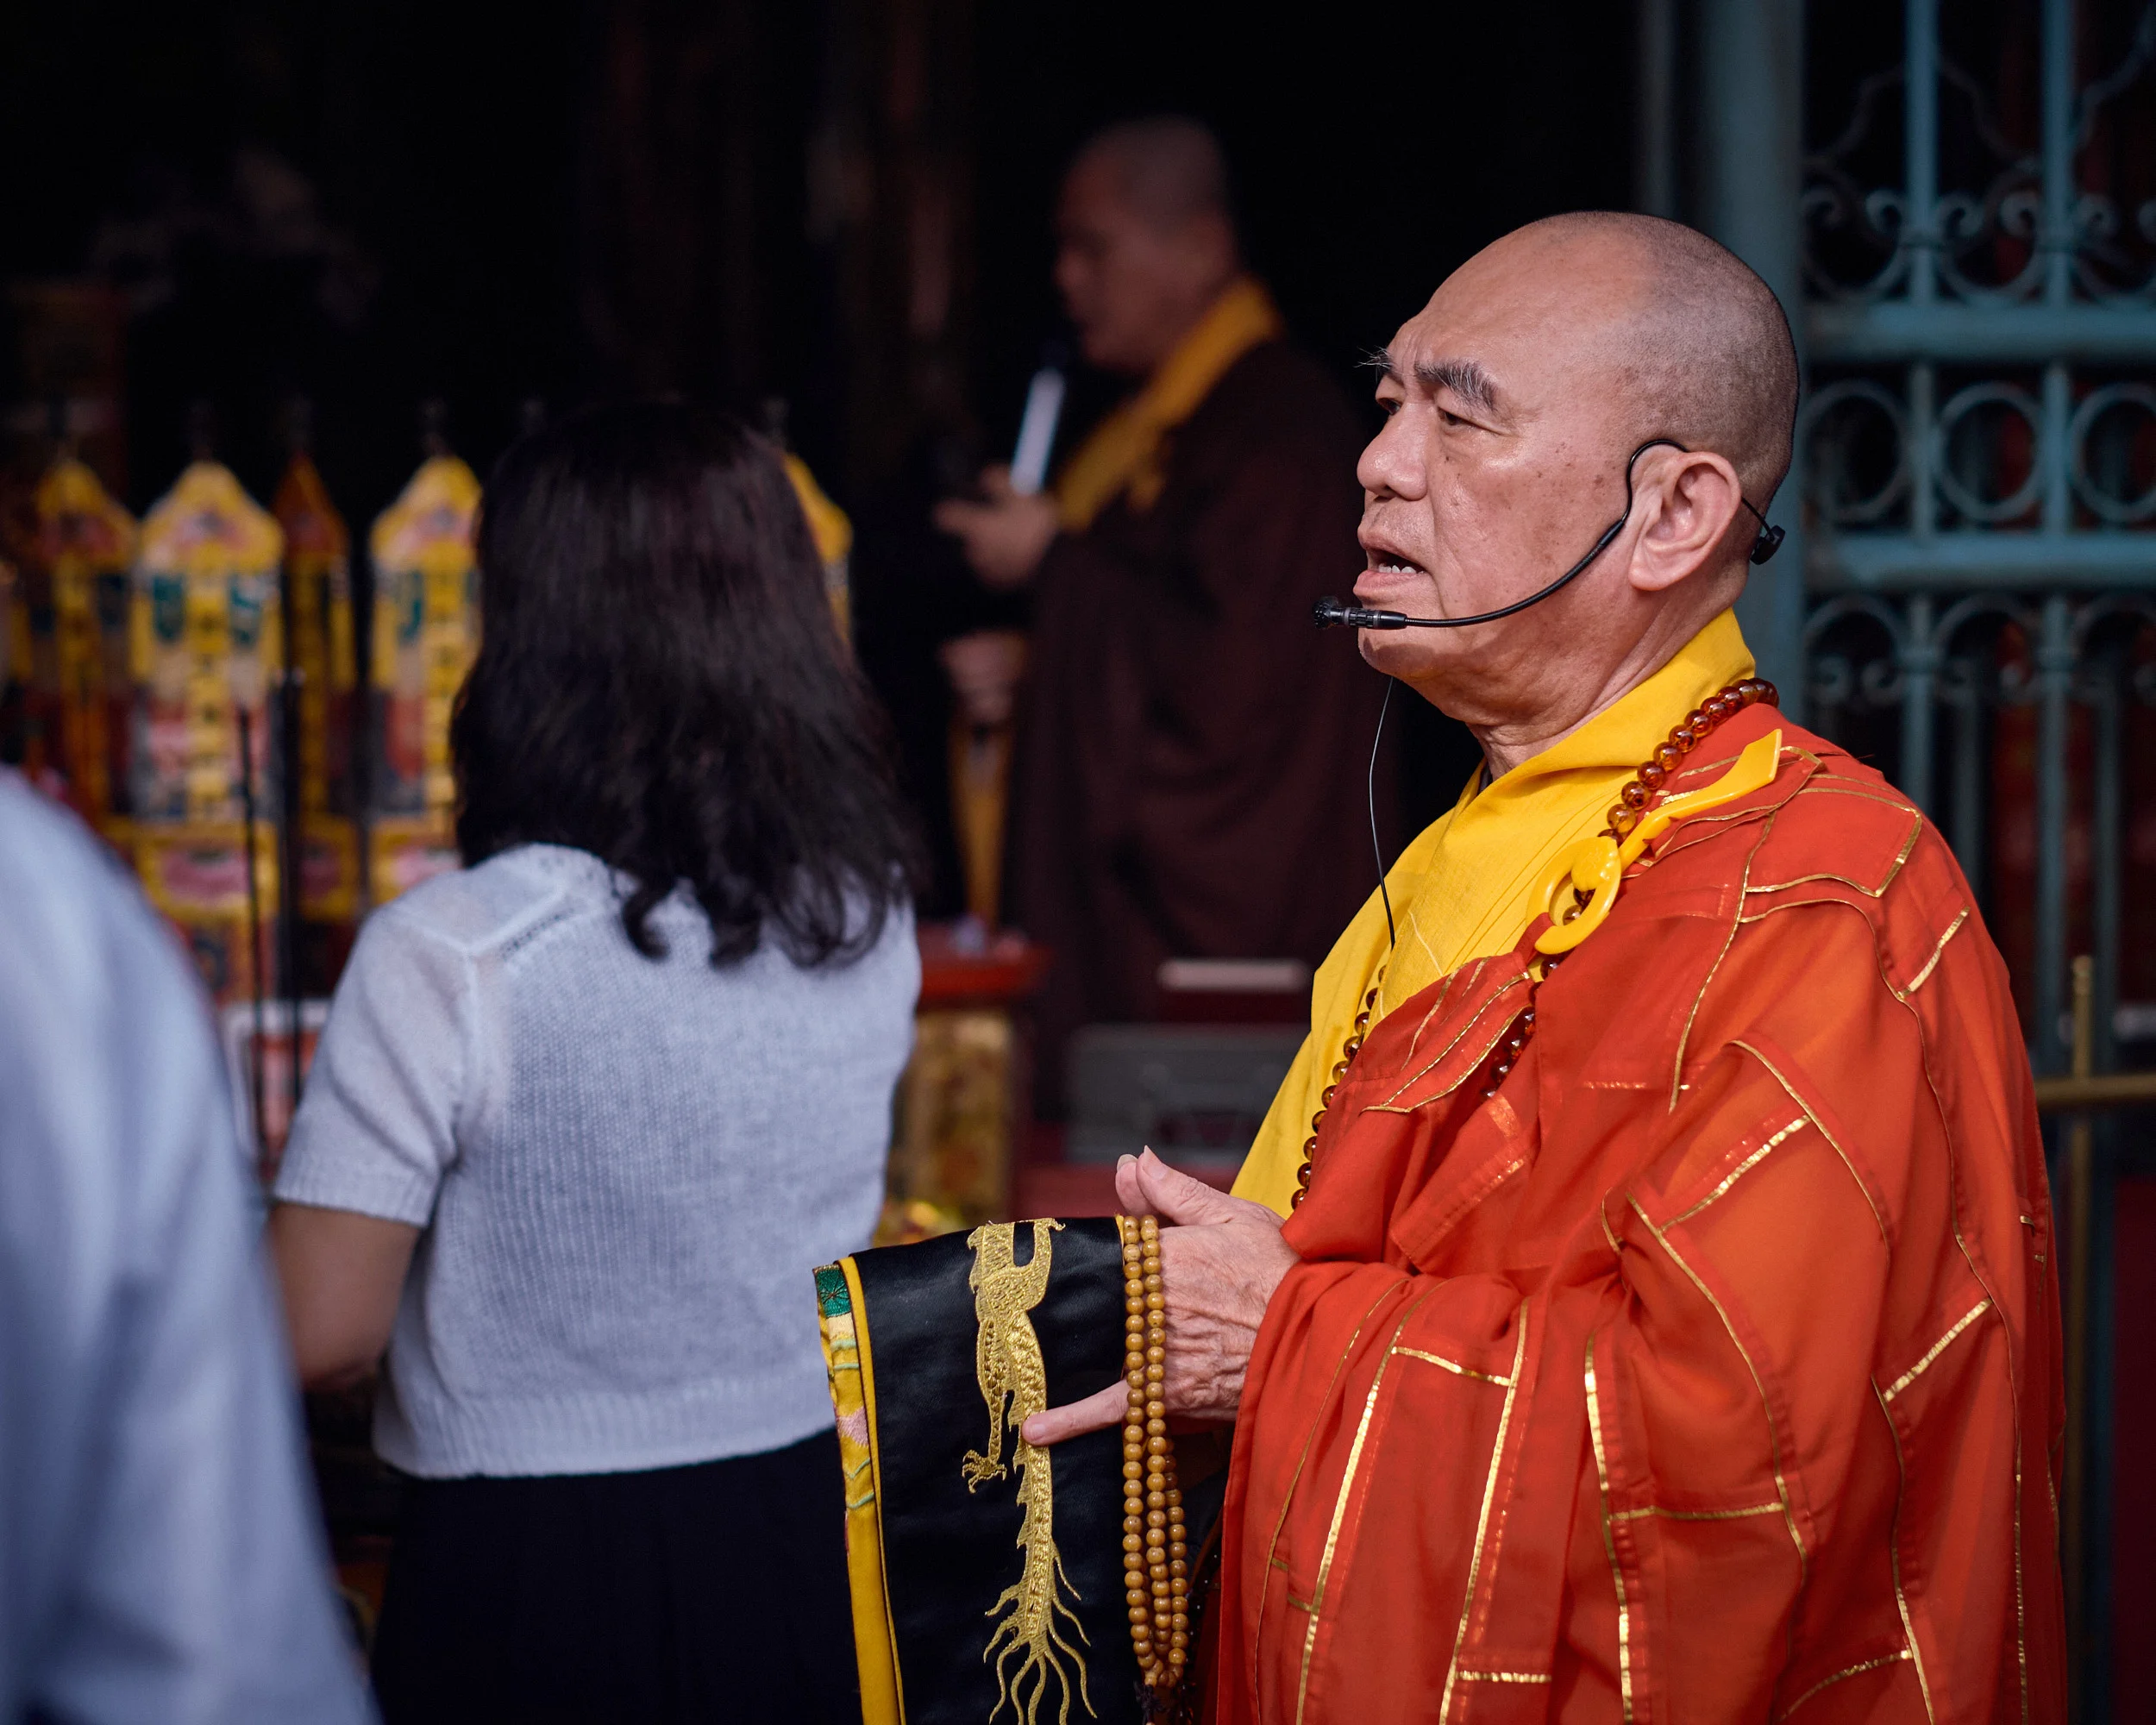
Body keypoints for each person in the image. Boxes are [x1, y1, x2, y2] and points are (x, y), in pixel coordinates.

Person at [1023, 214, 2065, 1719]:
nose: (1381, 461)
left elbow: (1738, 1464)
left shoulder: (1822, 897)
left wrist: (1290, 1345)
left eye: (1462, 413)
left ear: (1670, 517)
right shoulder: (1477, 849)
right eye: (1389, 404)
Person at [268, 405, 923, 1723]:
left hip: (525, 1577)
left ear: (528, 642)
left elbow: (313, 1333)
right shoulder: (863, 915)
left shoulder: (453, 954)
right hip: (806, 1540)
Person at [936, 116, 1390, 1092]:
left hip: (1226, 944)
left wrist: (1055, 569)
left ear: (1200, 251)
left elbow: (1233, 695)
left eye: (1092, 247)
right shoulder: (1150, 429)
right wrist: (1037, 661)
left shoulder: (1278, 431)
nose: (1065, 278)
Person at [0, 772, 373, 1724]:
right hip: (783, 1543)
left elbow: (322, 1325)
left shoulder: (455, 951)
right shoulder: (51, 922)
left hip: (543, 1552)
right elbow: (201, 1664)